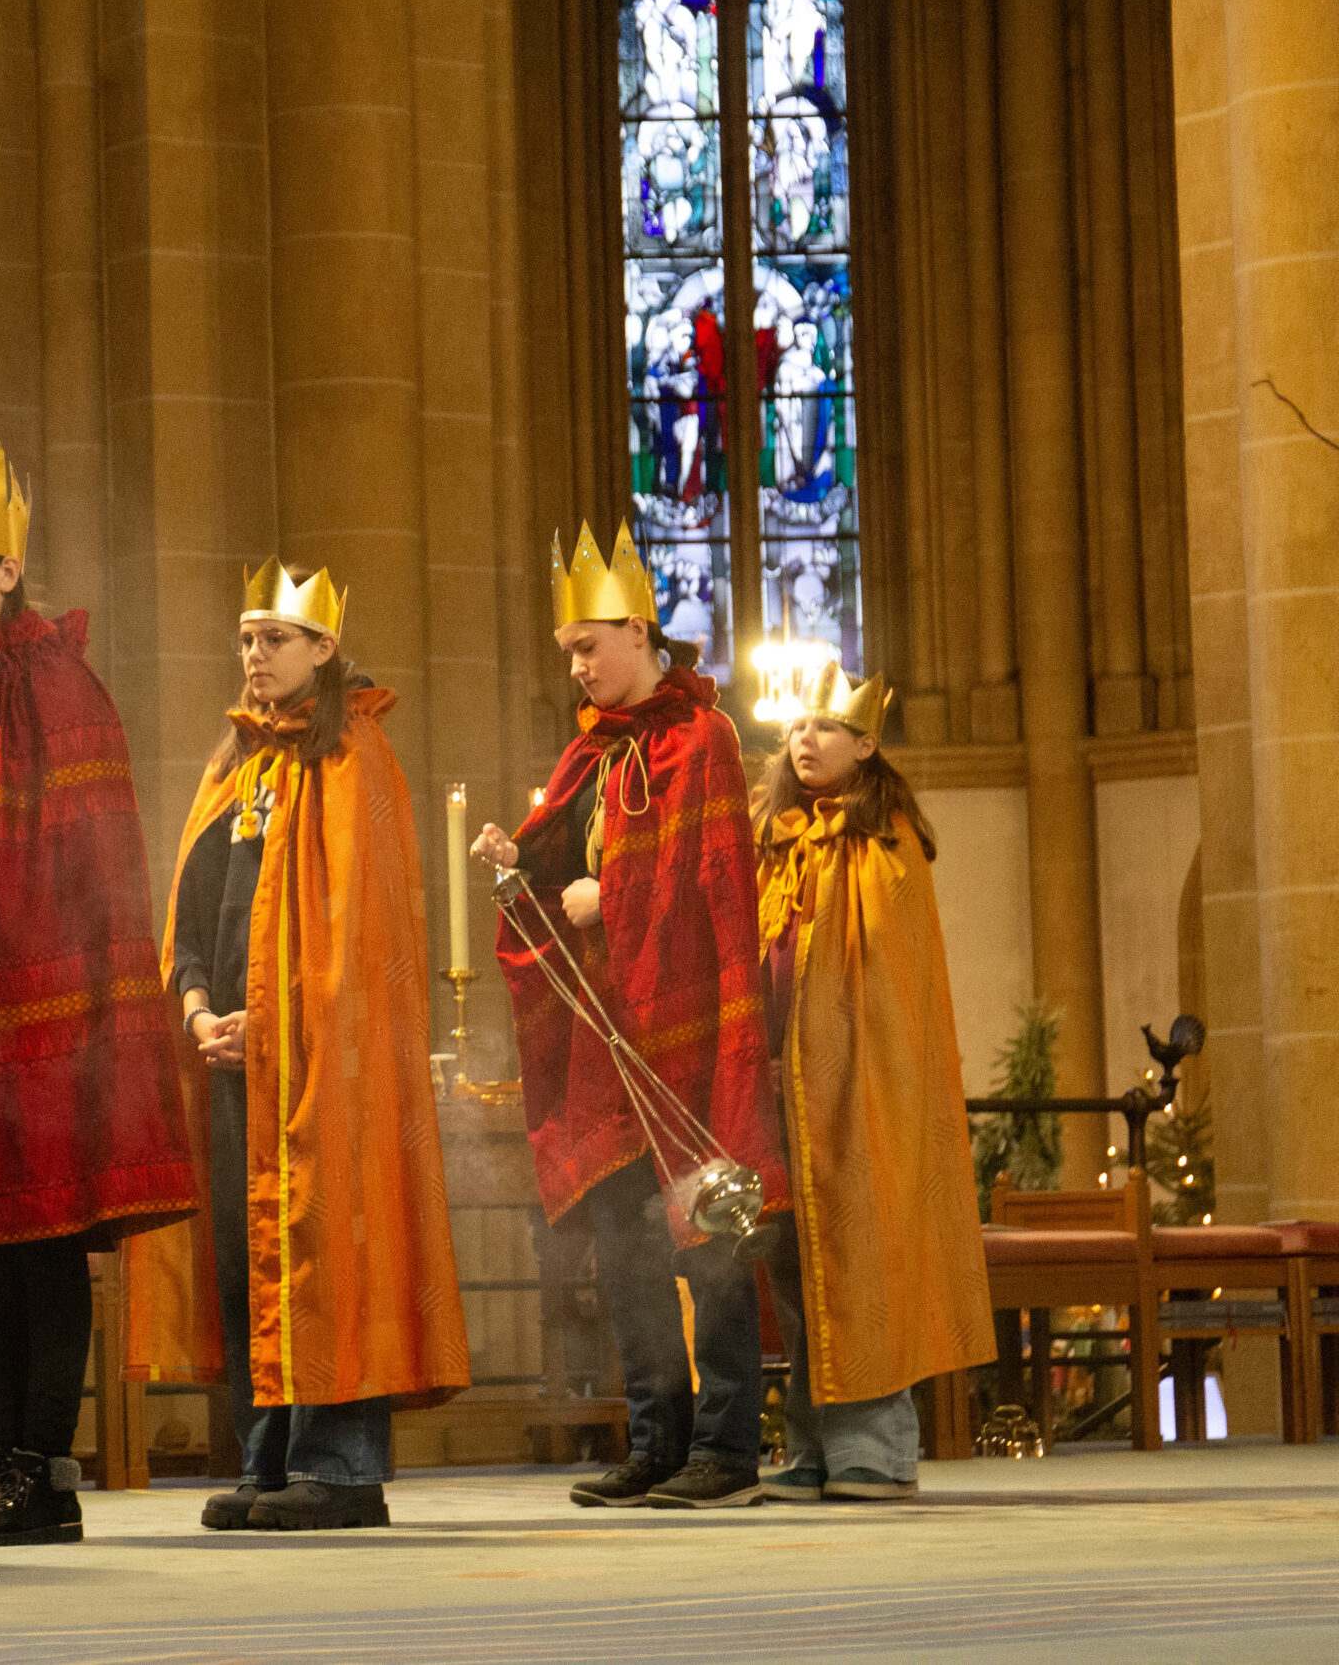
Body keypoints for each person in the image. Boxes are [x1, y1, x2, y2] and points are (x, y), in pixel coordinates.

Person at [0, 446, 196, 1548]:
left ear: (9, 570)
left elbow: (73, 858)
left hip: (48, 1017)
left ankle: (40, 1469)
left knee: (44, 1241)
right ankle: (4, 1461)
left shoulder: (54, 684)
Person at [125, 562, 470, 1532]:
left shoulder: (354, 760)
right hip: (235, 1065)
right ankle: (267, 1459)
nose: (253, 656)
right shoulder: (234, 766)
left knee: (329, 1252)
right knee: (247, 1261)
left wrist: (277, 1025)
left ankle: (343, 1465)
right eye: (244, 640)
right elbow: (188, 920)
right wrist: (198, 1012)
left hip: (329, 1072)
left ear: (321, 649)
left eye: (272, 638)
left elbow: (361, 938)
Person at [473, 522, 786, 1511]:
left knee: (705, 1238)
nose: (575, 665)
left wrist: (608, 898)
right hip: (604, 1044)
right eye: (566, 650)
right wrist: (516, 869)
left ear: (639, 632)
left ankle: (729, 1448)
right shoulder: (587, 756)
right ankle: (657, 1438)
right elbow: (561, 873)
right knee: (625, 1248)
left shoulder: (706, 739)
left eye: (585, 646)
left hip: (685, 1032)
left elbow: (714, 886)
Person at [752, 662, 995, 1501]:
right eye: (795, 727)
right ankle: (812, 1444)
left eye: (823, 726)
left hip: (863, 1091)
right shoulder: (778, 840)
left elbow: (890, 986)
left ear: (865, 742)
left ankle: (878, 1449)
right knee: (794, 1270)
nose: (804, 739)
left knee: (867, 1257)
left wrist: (848, 1067)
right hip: (783, 1089)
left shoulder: (886, 843)